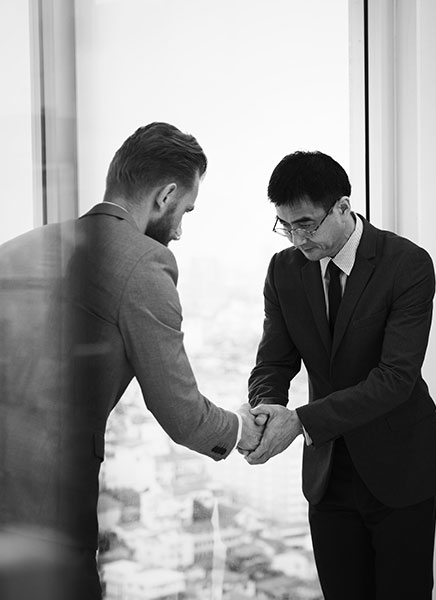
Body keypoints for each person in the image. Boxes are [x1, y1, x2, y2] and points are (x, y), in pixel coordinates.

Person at [0, 122, 263, 600]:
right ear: (164, 196)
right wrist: (243, 428)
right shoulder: (143, 262)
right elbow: (181, 413)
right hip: (48, 506)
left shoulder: (22, 246)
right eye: (185, 210)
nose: (181, 230)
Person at [244, 150, 436, 599]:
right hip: (329, 473)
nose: (297, 238)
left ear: (343, 206)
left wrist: (301, 421)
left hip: (399, 466)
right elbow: (274, 361)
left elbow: (395, 378)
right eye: (286, 225)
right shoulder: (284, 270)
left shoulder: (407, 264)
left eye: (306, 223)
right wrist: (267, 407)